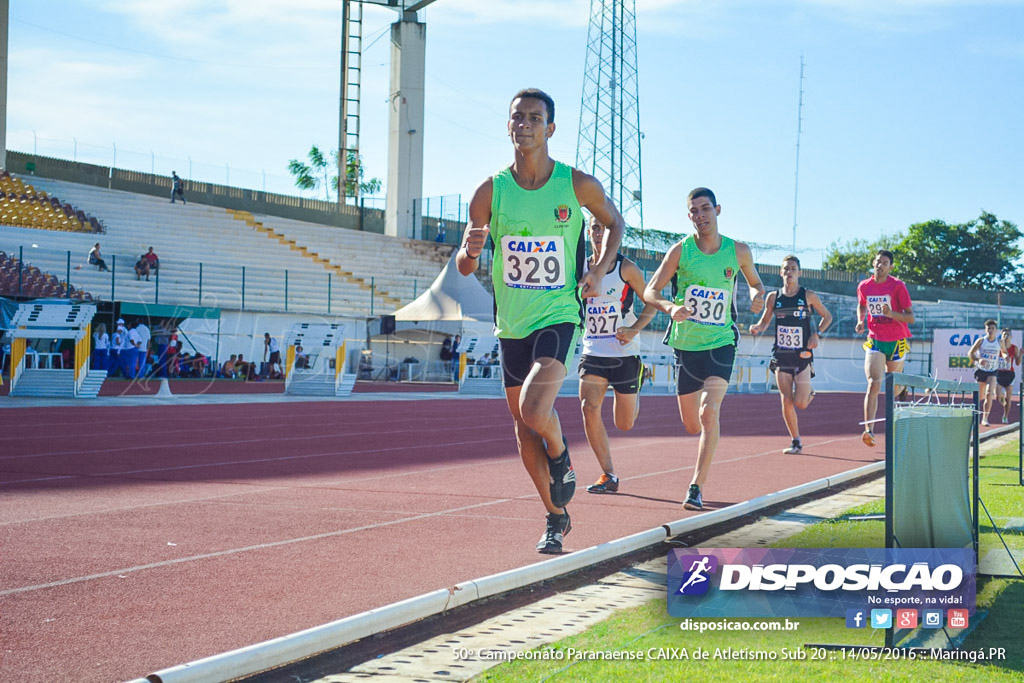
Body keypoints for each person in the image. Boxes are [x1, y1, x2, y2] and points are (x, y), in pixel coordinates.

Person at [456, 88, 626, 554]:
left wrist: (597, 268)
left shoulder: (576, 186)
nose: (525, 124)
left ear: (550, 129)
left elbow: (616, 224)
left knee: (535, 411)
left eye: (535, 118)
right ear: (508, 126)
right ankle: (555, 517)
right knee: (521, 424)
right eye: (517, 117)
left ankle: (562, 452)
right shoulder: (491, 191)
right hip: (511, 323)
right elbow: (465, 267)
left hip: (559, 315)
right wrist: (469, 252)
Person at [644, 187, 765, 511]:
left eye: (705, 209)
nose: (701, 215)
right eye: (694, 211)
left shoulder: (737, 251)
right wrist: (669, 307)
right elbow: (650, 290)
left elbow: (757, 283)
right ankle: (703, 446)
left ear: (718, 210)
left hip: (721, 343)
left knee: (708, 412)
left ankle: (695, 486)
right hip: (686, 346)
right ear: (689, 216)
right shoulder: (680, 252)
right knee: (691, 424)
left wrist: (757, 295)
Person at [578, 215, 657, 495]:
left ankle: (638, 380)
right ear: (588, 232)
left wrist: (634, 329)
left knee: (624, 423)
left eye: (605, 228)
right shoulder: (580, 267)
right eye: (594, 228)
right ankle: (608, 474)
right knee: (588, 407)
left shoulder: (627, 268)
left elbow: (653, 302)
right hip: (593, 350)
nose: (600, 234)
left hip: (624, 353)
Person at [748, 255, 833, 454]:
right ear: (781, 272)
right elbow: (765, 321)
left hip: (802, 355)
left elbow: (827, 316)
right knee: (786, 400)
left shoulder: (808, 296)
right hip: (781, 354)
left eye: (793, 268)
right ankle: (795, 441)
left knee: (800, 403)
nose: (789, 272)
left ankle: (808, 393)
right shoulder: (773, 297)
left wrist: (816, 334)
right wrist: (757, 328)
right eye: (786, 268)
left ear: (799, 273)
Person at [856, 249, 915, 446]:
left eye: (884, 263)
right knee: (874, 382)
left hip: (897, 341)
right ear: (873, 263)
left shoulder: (898, 287)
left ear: (891, 267)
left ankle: (902, 386)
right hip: (875, 339)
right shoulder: (864, 286)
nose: (880, 265)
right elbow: (862, 305)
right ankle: (869, 430)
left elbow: (910, 317)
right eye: (877, 261)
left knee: (894, 389)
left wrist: (891, 314)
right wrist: (860, 320)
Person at [969, 320, 1003, 427]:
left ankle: (985, 418)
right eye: (988, 328)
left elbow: (1005, 351)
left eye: (992, 328)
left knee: (989, 393)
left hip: (993, 371)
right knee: (979, 396)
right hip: (981, 370)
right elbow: (970, 353)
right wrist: (978, 359)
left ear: (996, 330)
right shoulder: (981, 341)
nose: (990, 330)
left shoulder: (999, 342)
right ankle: (973, 416)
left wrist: (1005, 356)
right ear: (985, 329)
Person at [996, 328, 1020, 424]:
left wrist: (1021, 355)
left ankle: (1005, 416)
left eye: (1007, 335)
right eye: (1004, 335)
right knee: (998, 396)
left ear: (1011, 337)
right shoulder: (997, 347)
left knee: (1008, 397)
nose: (1005, 337)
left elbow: (1017, 363)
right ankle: (1004, 404)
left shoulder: (1014, 348)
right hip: (999, 373)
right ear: (1001, 336)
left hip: (1009, 374)